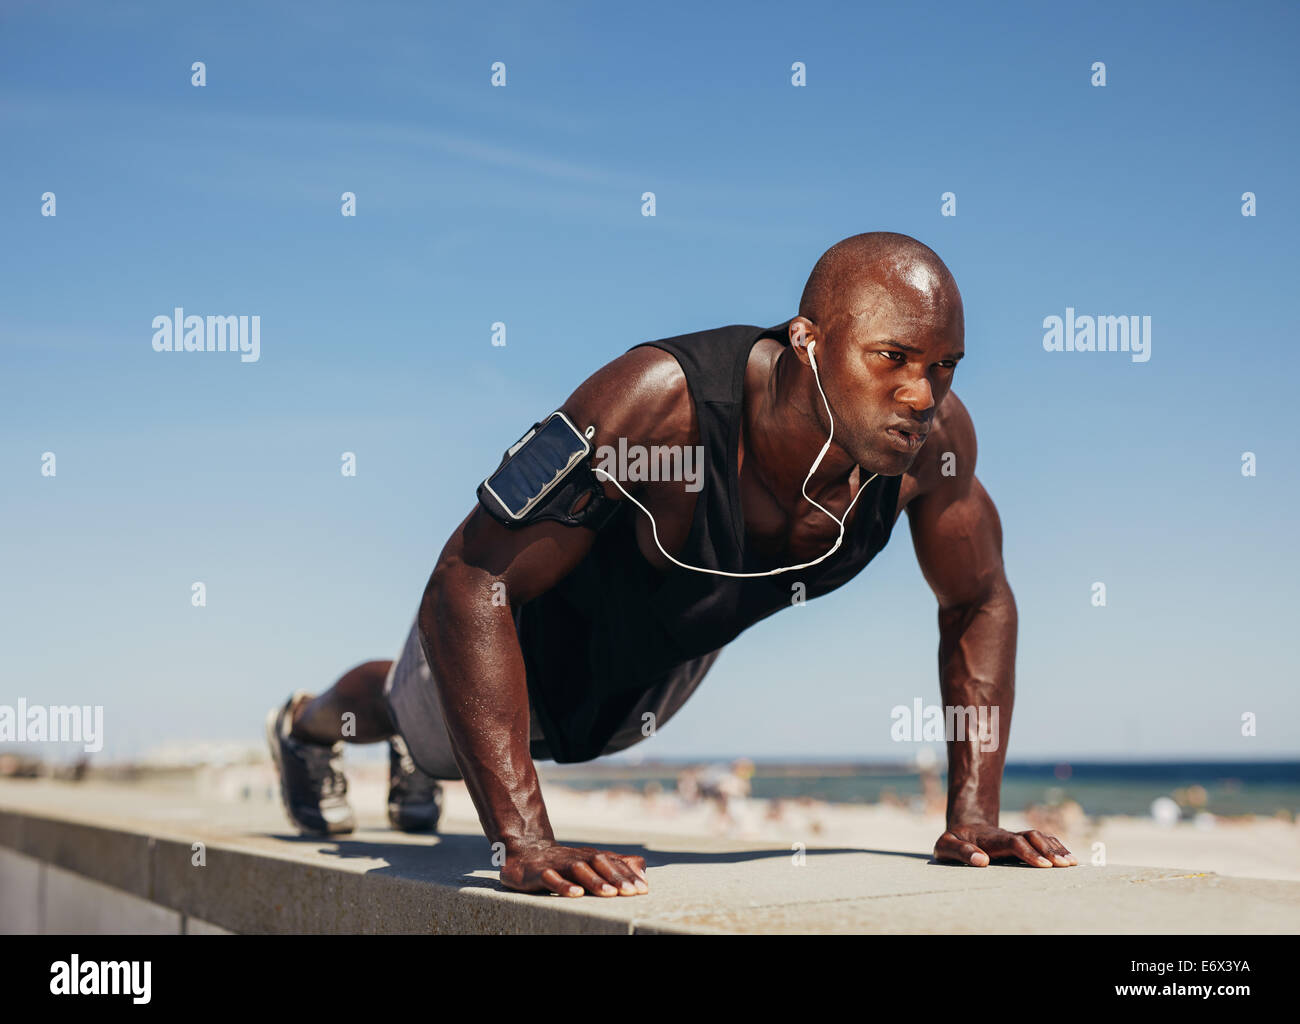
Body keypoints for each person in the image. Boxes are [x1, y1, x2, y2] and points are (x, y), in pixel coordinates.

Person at [266, 231, 1077, 899]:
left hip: (656, 675)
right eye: (892, 356)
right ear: (808, 342)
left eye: (943, 367)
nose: (920, 394)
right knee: (417, 724)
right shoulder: (657, 406)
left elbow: (978, 601)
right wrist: (524, 839)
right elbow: (471, 578)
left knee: (557, 735)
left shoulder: (933, 452)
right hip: (513, 647)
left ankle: (420, 749)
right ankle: (306, 727)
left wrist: (973, 814)